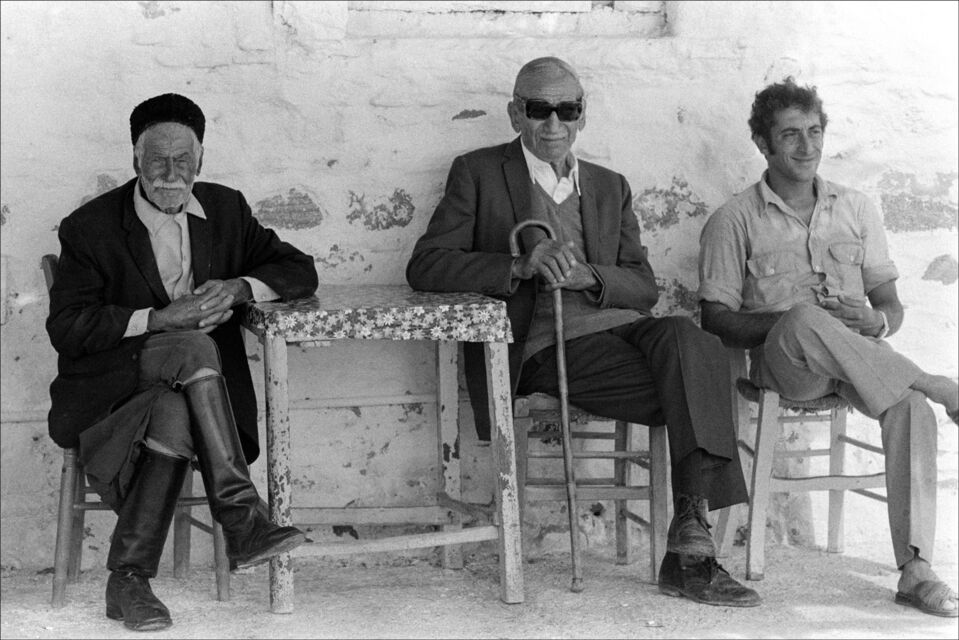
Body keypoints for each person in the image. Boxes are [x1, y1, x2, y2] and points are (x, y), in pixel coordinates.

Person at [406, 57, 761, 607]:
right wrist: (517, 265)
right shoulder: (478, 172)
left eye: (566, 110)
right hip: (544, 346)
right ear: (515, 113)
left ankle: (690, 528)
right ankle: (692, 557)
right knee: (699, 383)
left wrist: (591, 276)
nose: (553, 124)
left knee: (695, 342)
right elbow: (426, 265)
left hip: (622, 332)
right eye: (538, 109)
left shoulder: (609, 186)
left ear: (582, 115)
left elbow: (643, 286)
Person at [46, 93, 319, 631]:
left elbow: (299, 269)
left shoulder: (226, 210)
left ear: (201, 160)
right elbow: (68, 327)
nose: (170, 175)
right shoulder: (90, 227)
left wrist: (241, 287)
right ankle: (240, 516)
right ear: (135, 159)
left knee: (173, 414)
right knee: (193, 344)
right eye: (157, 161)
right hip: (114, 389)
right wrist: (158, 319)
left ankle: (128, 581)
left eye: (183, 161)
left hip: (188, 397)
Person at [697, 77, 959, 618]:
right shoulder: (734, 219)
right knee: (801, 319)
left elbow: (890, 306)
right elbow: (714, 318)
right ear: (763, 144)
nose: (806, 146)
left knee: (911, 408)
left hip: (860, 363)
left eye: (814, 131)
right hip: (788, 367)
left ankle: (915, 569)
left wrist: (876, 320)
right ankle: (935, 382)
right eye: (790, 135)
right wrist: (789, 322)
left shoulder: (856, 208)